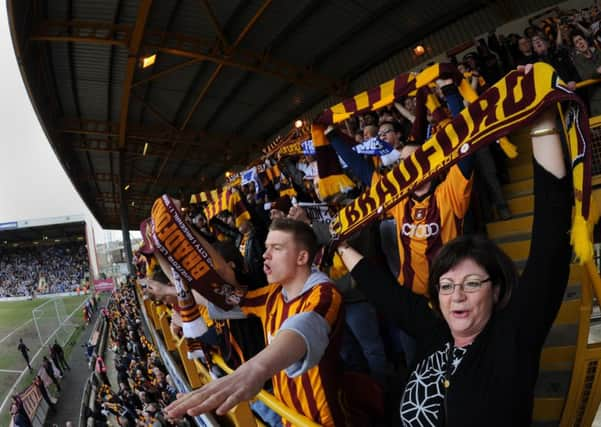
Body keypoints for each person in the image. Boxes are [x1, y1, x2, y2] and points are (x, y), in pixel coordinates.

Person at [336, 96, 572, 426]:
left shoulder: (513, 337)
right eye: (446, 286)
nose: (456, 295)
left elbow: (551, 243)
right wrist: (340, 246)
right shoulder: (435, 332)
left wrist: (542, 120)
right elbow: (385, 294)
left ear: (496, 290)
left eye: (471, 283)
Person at [164, 218, 347, 426]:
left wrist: (257, 368)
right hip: (289, 418)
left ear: (301, 257)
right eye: (266, 247)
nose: (264, 255)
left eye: (276, 248)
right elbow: (220, 298)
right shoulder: (271, 295)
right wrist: (179, 225)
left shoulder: (325, 293)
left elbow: (302, 327)